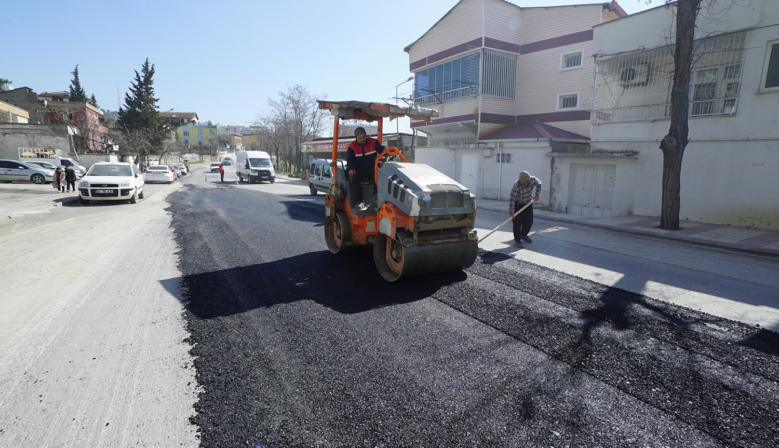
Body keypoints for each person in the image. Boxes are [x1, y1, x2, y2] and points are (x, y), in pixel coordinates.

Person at [346, 126, 385, 207]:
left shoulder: (373, 142)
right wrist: (351, 168)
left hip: (372, 167)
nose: (363, 139)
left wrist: (386, 150)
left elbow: (382, 149)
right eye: (360, 138)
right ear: (356, 138)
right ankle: (360, 202)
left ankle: (376, 196)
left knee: (378, 173)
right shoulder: (352, 146)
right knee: (355, 178)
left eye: (364, 137)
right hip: (360, 168)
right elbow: (350, 158)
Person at [509, 171, 541, 249]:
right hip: (518, 204)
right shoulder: (516, 185)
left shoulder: (533, 180)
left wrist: (537, 194)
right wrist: (512, 211)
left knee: (529, 221)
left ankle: (523, 235)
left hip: (528, 203)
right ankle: (517, 241)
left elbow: (539, 184)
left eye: (524, 182)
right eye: (521, 182)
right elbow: (512, 198)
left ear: (528, 180)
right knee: (517, 223)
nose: (522, 184)